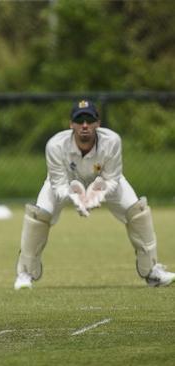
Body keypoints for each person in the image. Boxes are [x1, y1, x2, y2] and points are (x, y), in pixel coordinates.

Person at [13, 99, 175, 290]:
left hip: (104, 181)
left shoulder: (112, 141)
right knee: (38, 216)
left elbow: (113, 178)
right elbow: (57, 183)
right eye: (79, 120)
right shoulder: (55, 145)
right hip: (66, 183)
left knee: (137, 211)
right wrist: (76, 198)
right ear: (71, 124)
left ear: (98, 123)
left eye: (89, 120)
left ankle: (152, 272)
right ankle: (25, 273)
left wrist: (99, 193)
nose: (84, 126)